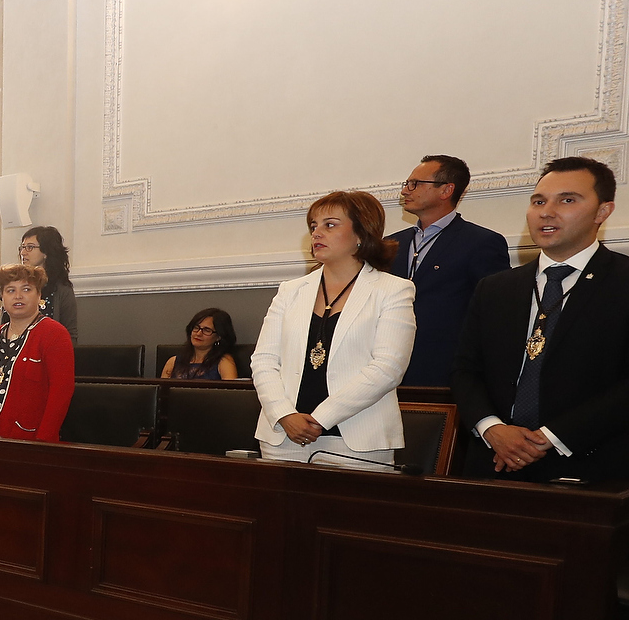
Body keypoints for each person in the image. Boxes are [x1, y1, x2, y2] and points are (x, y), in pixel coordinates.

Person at [455, 158, 629, 483]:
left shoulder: (622, 282)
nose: (546, 212)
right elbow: (465, 371)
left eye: (567, 200)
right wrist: (491, 428)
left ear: (603, 212)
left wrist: (548, 437)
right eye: (538, 201)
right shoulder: (495, 287)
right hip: (493, 462)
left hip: (588, 467)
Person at [250, 191, 416, 469]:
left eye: (330, 225)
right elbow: (263, 360)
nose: (316, 233)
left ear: (362, 233)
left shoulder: (393, 290)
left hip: (358, 441)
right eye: (313, 226)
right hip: (284, 438)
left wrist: (320, 418)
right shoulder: (290, 291)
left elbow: (387, 368)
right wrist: (284, 414)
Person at [388, 154, 512, 387]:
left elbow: (495, 314)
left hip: (446, 375)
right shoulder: (391, 244)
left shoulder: (481, 242)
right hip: (389, 373)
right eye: (407, 184)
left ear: (446, 190)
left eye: (415, 184)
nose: (405, 191)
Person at [0, 265, 75, 440]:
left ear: (39, 295)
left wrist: (44, 442)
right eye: (10, 290)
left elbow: (61, 394)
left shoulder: (55, 334)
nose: (18, 296)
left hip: (27, 442)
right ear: (2, 296)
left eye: (26, 289)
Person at [15, 226, 79, 342]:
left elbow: (70, 334)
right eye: (22, 247)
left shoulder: (62, 289)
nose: (23, 253)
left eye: (30, 247)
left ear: (46, 252)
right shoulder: (13, 283)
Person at [159, 308, 240, 380]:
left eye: (207, 330)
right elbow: (162, 393)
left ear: (219, 337)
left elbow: (230, 394)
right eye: (196, 328)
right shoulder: (173, 362)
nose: (198, 333)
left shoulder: (224, 361)